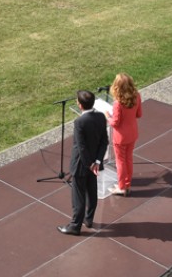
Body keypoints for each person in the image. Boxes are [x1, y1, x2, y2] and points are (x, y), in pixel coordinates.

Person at [57, 90, 108, 236]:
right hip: (95, 164)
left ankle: (75, 226)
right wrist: (97, 161)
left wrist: (89, 164)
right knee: (92, 193)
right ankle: (89, 219)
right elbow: (104, 141)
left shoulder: (79, 122)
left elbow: (81, 146)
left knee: (78, 197)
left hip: (81, 165)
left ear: (79, 105)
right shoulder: (100, 116)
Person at [107, 73, 142, 195]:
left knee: (120, 161)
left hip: (120, 137)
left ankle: (122, 187)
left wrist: (107, 117)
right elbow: (139, 114)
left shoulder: (118, 103)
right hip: (132, 134)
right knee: (128, 159)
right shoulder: (137, 96)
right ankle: (127, 184)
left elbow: (115, 123)